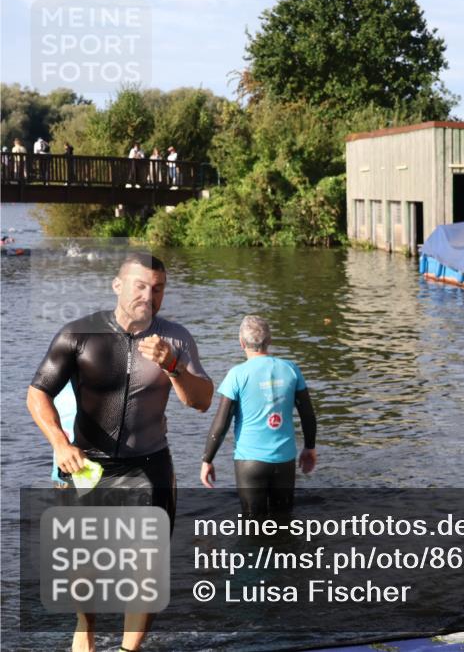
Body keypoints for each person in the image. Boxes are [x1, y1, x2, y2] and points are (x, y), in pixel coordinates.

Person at [27, 252, 214, 652]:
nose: (149, 296)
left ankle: (130, 650)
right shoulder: (79, 334)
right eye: (140, 286)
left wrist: (174, 366)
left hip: (149, 464)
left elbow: (201, 401)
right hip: (87, 467)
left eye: (158, 288)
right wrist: (59, 443)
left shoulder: (176, 339)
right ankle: (86, 627)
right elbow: (37, 392)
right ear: (118, 285)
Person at [201, 315, 318, 519]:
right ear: (269, 341)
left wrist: (207, 460)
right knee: (283, 521)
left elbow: (222, 422)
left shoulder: (237, 375)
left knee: (252, 525)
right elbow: (307, 414)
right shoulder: (291, 369)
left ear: (241, 343)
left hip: (250, 463)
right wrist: (309, 447)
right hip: (284, 460)